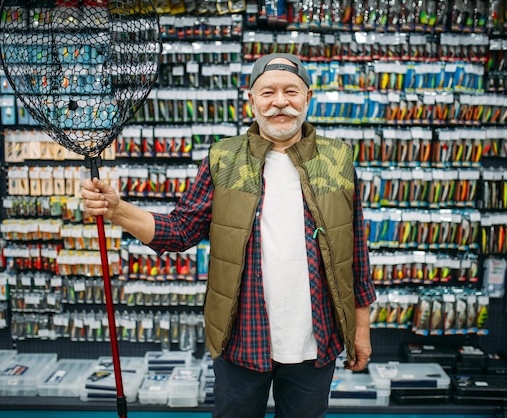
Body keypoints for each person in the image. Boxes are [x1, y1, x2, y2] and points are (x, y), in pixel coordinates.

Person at [81, 52, 376, 418]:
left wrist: (360, 330)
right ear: (251, 100)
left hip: (315, 342)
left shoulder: (338, 159)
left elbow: (356, 253)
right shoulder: (224, 158)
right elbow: (180, 230)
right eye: (268, 93)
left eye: (291, 91)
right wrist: (118, 210)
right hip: (241, 338)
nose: (280, 102)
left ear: (308, 98)